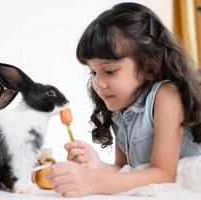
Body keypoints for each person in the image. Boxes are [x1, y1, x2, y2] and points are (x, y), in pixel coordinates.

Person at [47, 2, 201, 197]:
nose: (98, 83)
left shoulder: (167, 95)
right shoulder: (120, 107)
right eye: (93, 72)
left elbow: (164, 174)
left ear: (149, 67)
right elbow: (127, 170)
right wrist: (97, 166)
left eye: (109, 71)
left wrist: (93, 182)